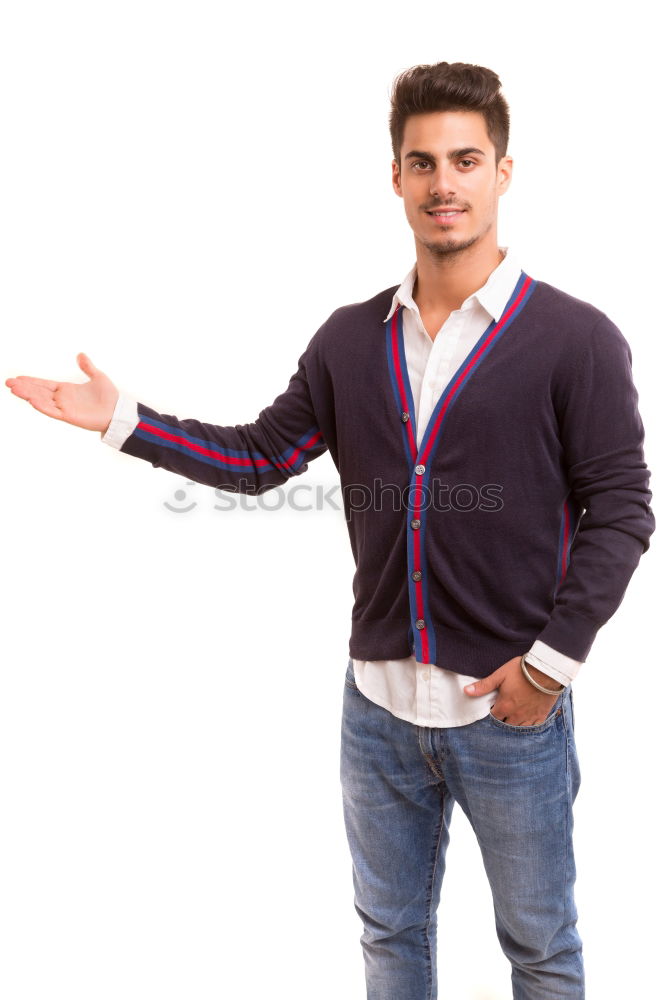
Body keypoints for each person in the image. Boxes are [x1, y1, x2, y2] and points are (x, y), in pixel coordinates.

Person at [5, 61, 656, 999]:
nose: (445, 183)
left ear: (503, 173)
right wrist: (125, 420)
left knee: (542, 951)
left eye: (466, 160)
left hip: (509, 710)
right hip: (376, 713)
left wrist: (550, 666)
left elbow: (622, 509)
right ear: (395, 177)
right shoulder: (351, 340)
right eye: (422, 162)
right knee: (391, 941)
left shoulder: (574, 338)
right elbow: (260, 458)